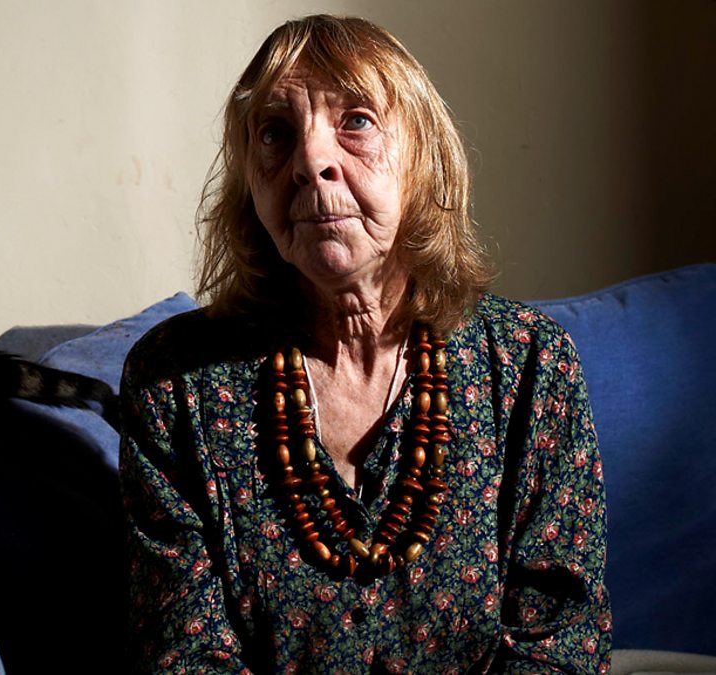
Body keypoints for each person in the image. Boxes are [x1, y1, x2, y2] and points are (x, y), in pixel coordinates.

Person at [119, 14, 611, 673]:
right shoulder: (173, 381)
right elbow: (184, 654)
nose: (310, 161)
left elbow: (559, 643)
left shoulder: (529, 365)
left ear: (423, 158)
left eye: (355, 121)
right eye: (276, 132)